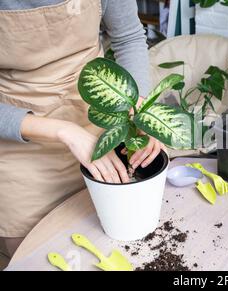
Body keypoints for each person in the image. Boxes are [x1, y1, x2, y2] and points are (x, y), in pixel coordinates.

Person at [0, 0, 163, 258]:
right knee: (38, 256)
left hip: (98, 120)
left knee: (115, 248)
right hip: (21, 142)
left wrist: (139, 109)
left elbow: (128, 37)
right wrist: (64, 131)